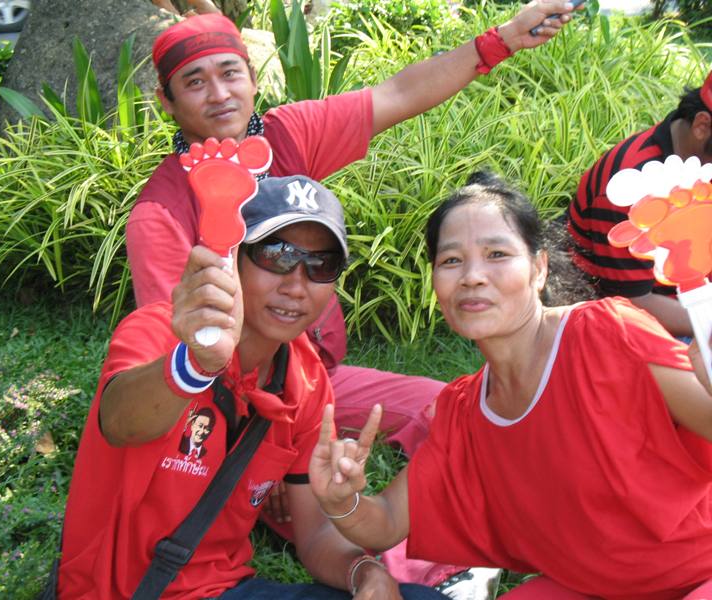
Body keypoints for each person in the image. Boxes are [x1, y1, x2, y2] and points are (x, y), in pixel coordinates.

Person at [127, 2, 580, 460]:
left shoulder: (288, 136)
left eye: (230, 73)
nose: (219, 94)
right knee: (324, 500)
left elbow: (398, 95)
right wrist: (263, 444)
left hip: (317, 380)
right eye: (195, 82)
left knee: (449, 408)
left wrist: (499, 40)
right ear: (166, 100)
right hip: (228, 404)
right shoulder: (160, 212)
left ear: (253, 78)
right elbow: (176, 357)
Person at [309, 171, 712, 599]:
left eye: (497, 253)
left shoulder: (606, 333)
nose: (472, 276)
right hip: (593, 588)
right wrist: (342, 501)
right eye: (450, 261)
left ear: (539, 268)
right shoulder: (463, 412)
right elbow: (387, 519)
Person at [58, 175, 450, 599]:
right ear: (233, 259)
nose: (296, 285)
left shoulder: (306, 379)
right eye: (277, 255)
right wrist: (195, 363)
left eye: (321, 265)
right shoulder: (160, 332)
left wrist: (366, 573)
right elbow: (120, 423)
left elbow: (316, 534)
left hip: (226, 590)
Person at [567, 69, 712, 338]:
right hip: (620, 319)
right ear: (702, 125)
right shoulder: (630, 183)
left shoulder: (704, 162)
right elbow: (632, 303)